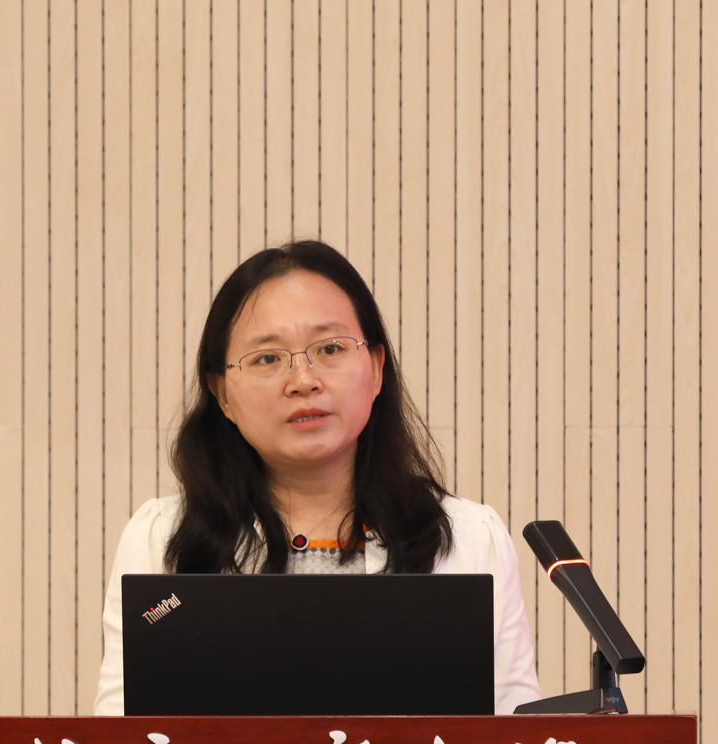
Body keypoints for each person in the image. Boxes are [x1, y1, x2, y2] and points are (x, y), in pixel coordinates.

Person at [93, 240, 541, 715]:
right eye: (267, 358)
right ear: (221, 393)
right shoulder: (161, 539)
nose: (303, 380)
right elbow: (118, 738)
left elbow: (517, 736)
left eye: (330, 348)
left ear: (376, 368)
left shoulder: (470, 538)